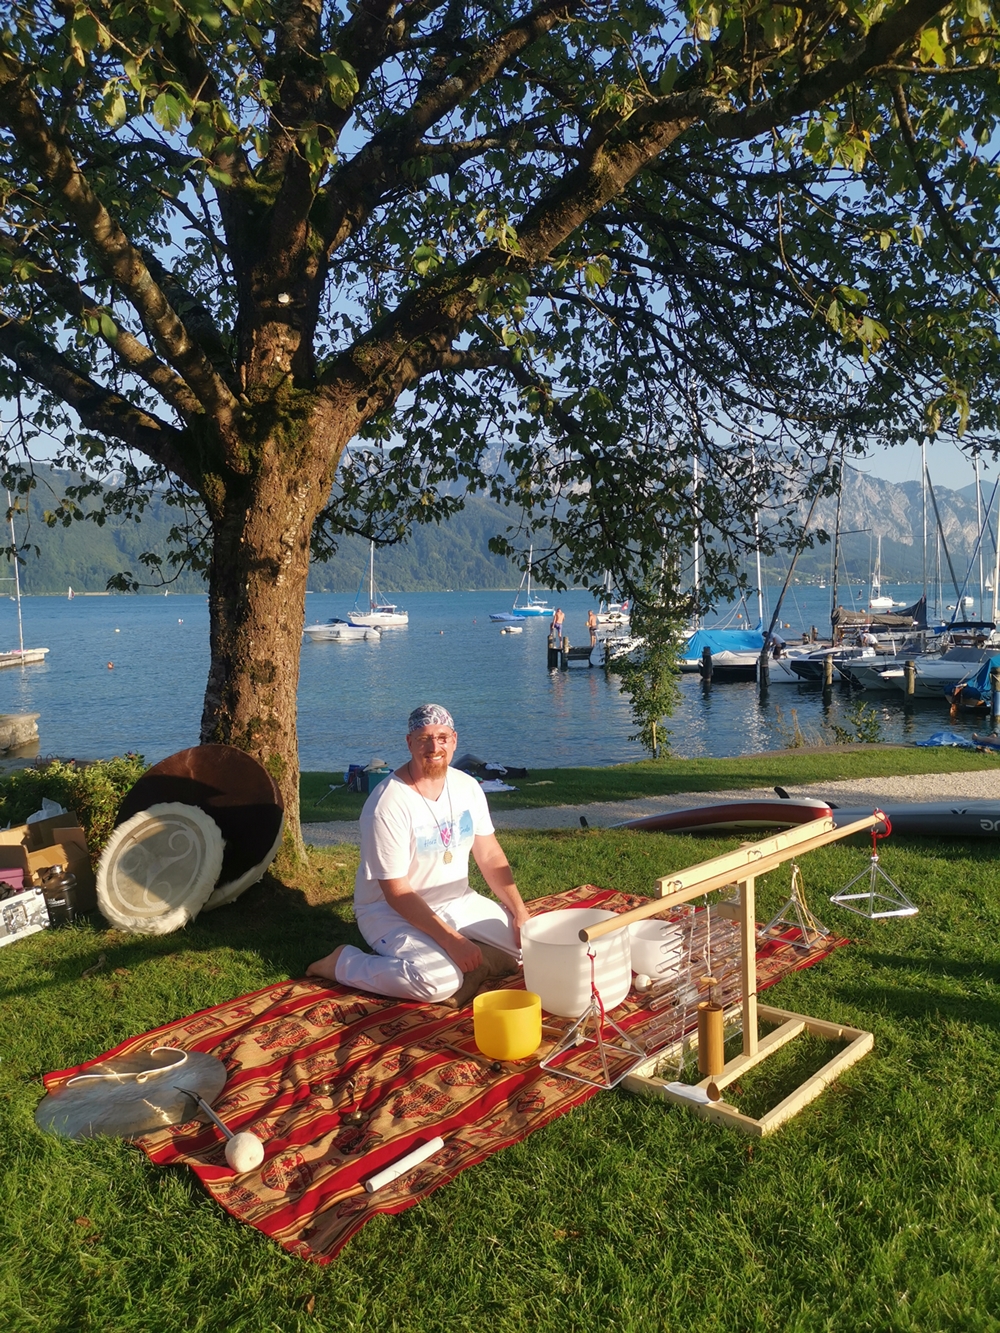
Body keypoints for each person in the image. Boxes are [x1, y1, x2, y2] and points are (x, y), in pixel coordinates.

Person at [307, 704, 530, 1005]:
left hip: (456, 899)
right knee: (438, 981)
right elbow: (396, 892)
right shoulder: (388, 803)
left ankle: (473, 964)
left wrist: (518, 910)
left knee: (529, 944)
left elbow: (489, 855)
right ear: (409, 742)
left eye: (441, 737)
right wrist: (453, 940)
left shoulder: (467, 787)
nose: (434, 747)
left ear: (454, 740)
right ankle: (342, 964)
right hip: (387, 912)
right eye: (424, 738)